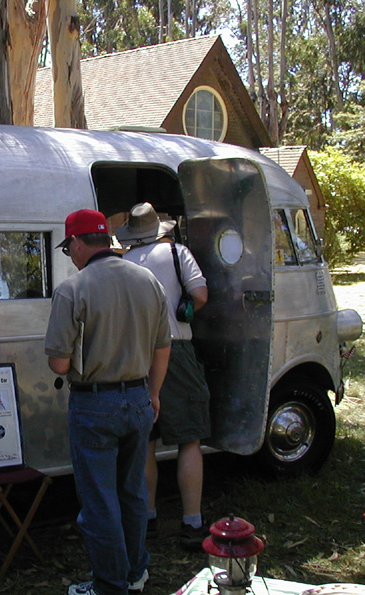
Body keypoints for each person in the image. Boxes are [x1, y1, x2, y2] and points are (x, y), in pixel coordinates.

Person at [45, 209, 172, 595]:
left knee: (100, 502)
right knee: (132, 493)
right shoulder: (148, 280)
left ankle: (109, 585)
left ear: (79, 243)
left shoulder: (73, 289)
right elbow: (164, 345)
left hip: (94, 404)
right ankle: (136, 573)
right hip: (137, 398)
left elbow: (59, 361)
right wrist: (152, 393)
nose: (70, 256)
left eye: (69, 248)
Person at [116, 202, 211, 551]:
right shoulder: (177, 253)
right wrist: (184, 309)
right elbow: (200, 295)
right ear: (160, 228)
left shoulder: (121, 263)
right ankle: (191, 523)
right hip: (177, 349)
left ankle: (148, 520)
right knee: (189, 439)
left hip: (136, 355)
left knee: (145, 443)